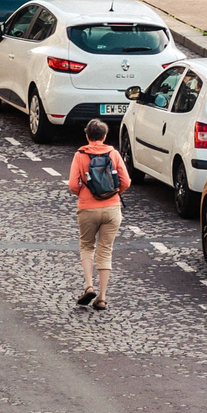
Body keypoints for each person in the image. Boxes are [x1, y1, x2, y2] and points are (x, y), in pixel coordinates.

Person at [65, 118, 128, 311]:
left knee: (86, 246)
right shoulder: (113, 154)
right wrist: (112, 194)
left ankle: (88, 285)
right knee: (105, 250)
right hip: (112, 208)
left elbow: (73, 185)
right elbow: (125, 181)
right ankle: (101, 297)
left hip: (87, 208)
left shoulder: (80, 155)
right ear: (105, 136)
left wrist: (85, 193)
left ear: (87, 136)